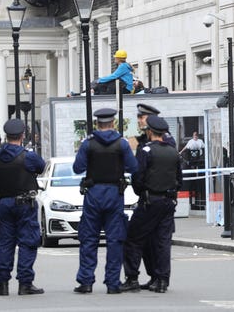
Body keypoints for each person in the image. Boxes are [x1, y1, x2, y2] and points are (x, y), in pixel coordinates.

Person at [72, 108, 138, 295]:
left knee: (88, 239)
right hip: (114, 194)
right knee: (115, 240)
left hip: (93, 194)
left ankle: (86, 282)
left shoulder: (88, 144)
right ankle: (113, 283)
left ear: (97, 124)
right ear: (113, 123)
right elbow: (133, 167)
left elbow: (78, 168)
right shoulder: (121, 144)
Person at [120, 115, 182, 294]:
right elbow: (180, 180)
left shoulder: (146, 150)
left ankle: (132, 277)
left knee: (133, 238)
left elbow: (138, 178)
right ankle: (161, 280)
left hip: (150, 201)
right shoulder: (172, 151)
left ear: (149, 131)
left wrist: (143, 192)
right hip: (168, 202)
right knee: (162, 242)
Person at [0, 118, 46, 296]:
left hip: (5, 203)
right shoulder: (27, 156)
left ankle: (3, 283)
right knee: (28, 242)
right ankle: (25, 283)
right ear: (22, 135)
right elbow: (41, 166)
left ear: (6, 136)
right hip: (24, 204)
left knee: (6, 243)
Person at [133, 103, 177, 290]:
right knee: (149, 242)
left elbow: (143, 172)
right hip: (152, 197)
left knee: (158, 241)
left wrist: (143, 189)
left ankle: (161, 278)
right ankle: (155, 276)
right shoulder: (144, 140)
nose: (139, 120)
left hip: (157, 198)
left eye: (141, 117)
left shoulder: (167, 141)